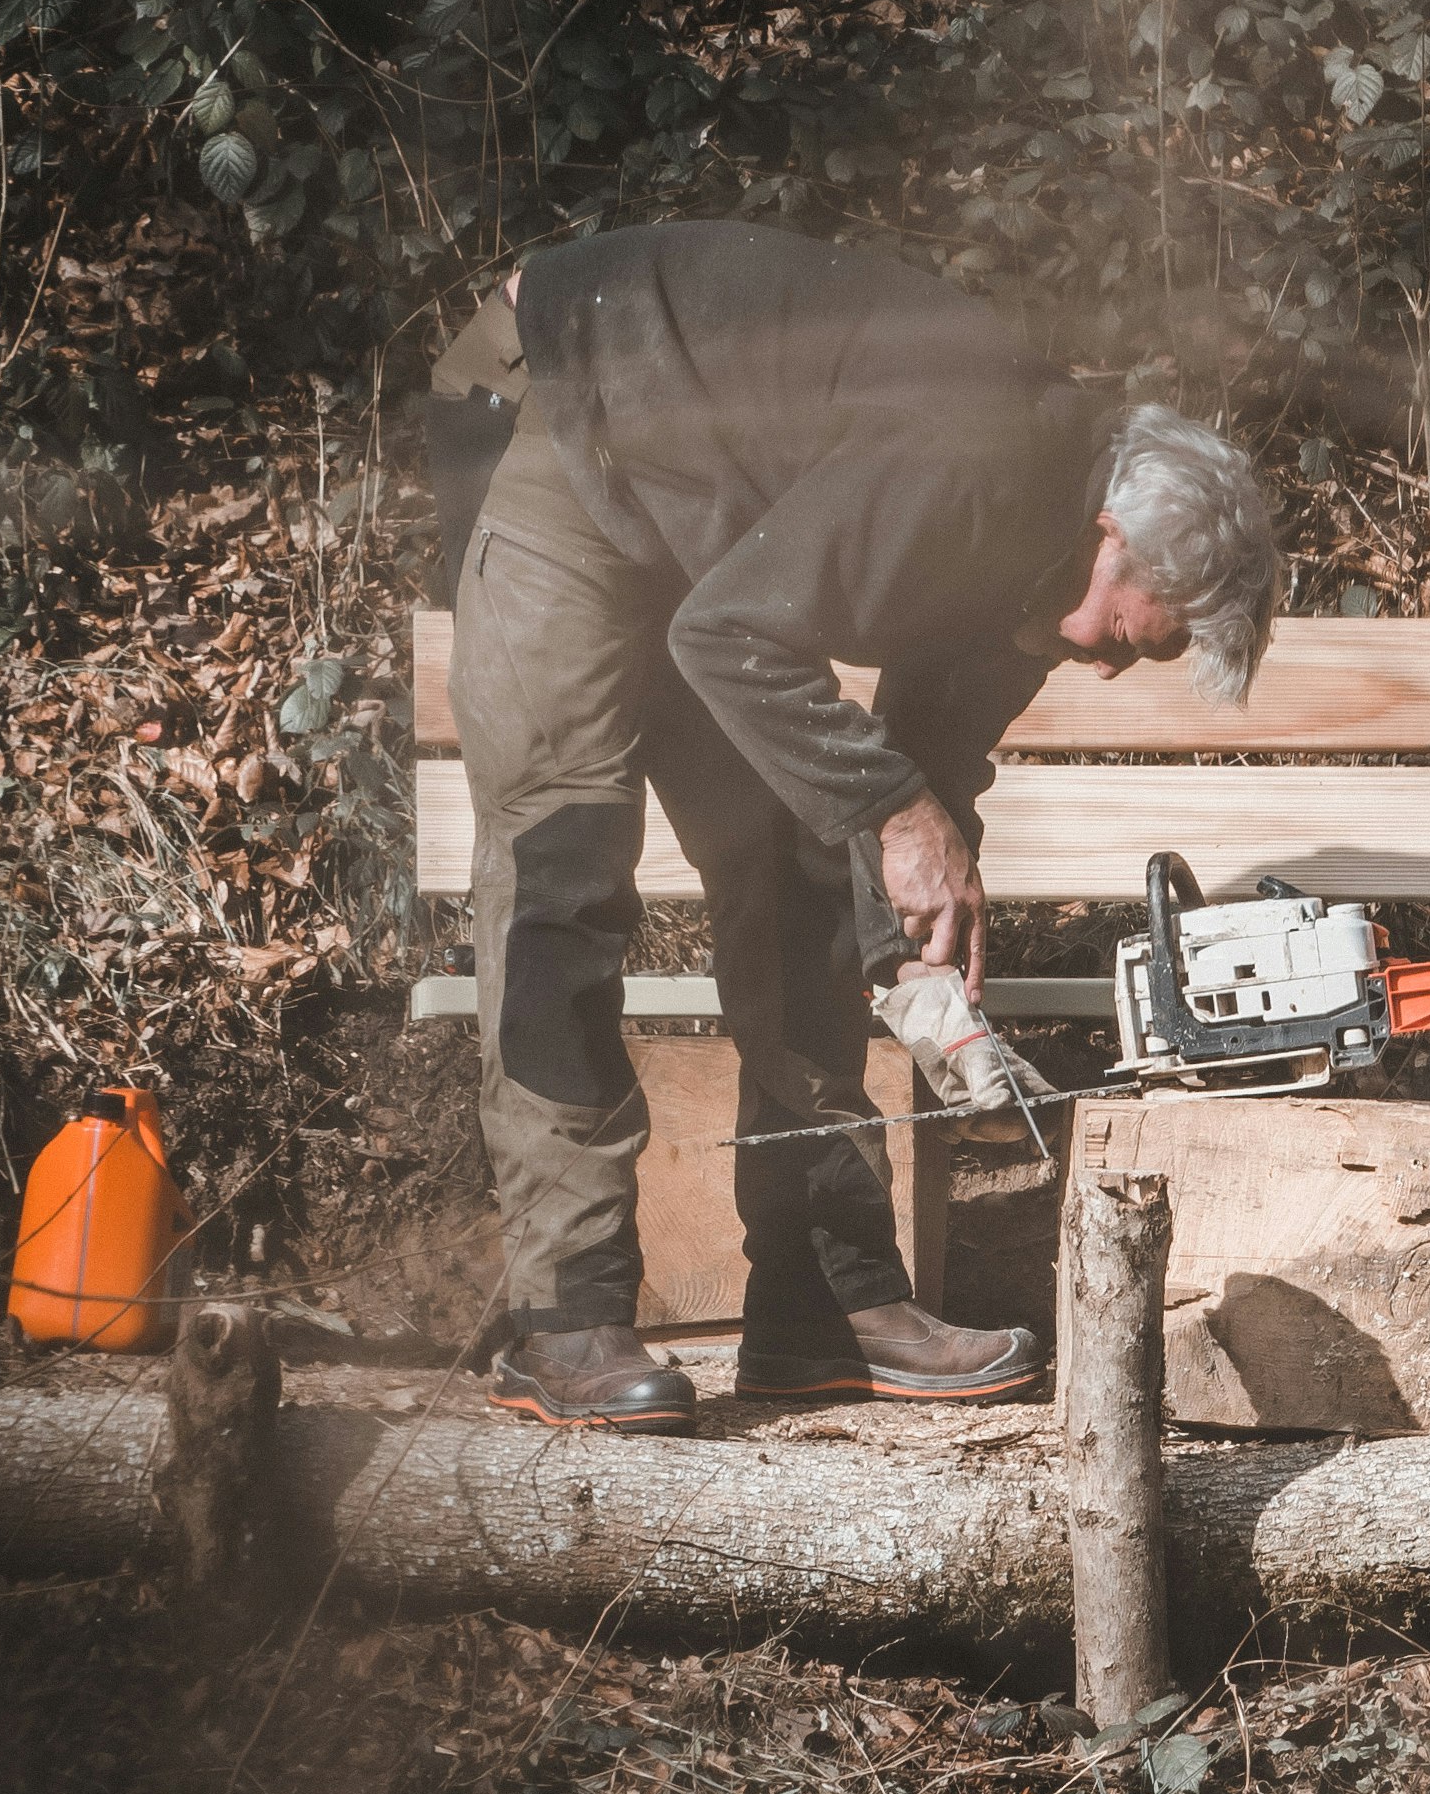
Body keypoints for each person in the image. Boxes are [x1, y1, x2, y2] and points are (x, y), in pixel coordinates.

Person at [426, 224, 1281, 1431]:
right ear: (1114, 536)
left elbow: (909, 785)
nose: (1103, 664)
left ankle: (824, 1302)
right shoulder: (972, 463)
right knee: (566, 857)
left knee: (803, 873)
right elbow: (731, 642)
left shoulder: (1039, 587)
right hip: (569, 401)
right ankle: (564, 1312)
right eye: (1133, 635)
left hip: (701, 509)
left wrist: (918, 955)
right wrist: (891, 814)